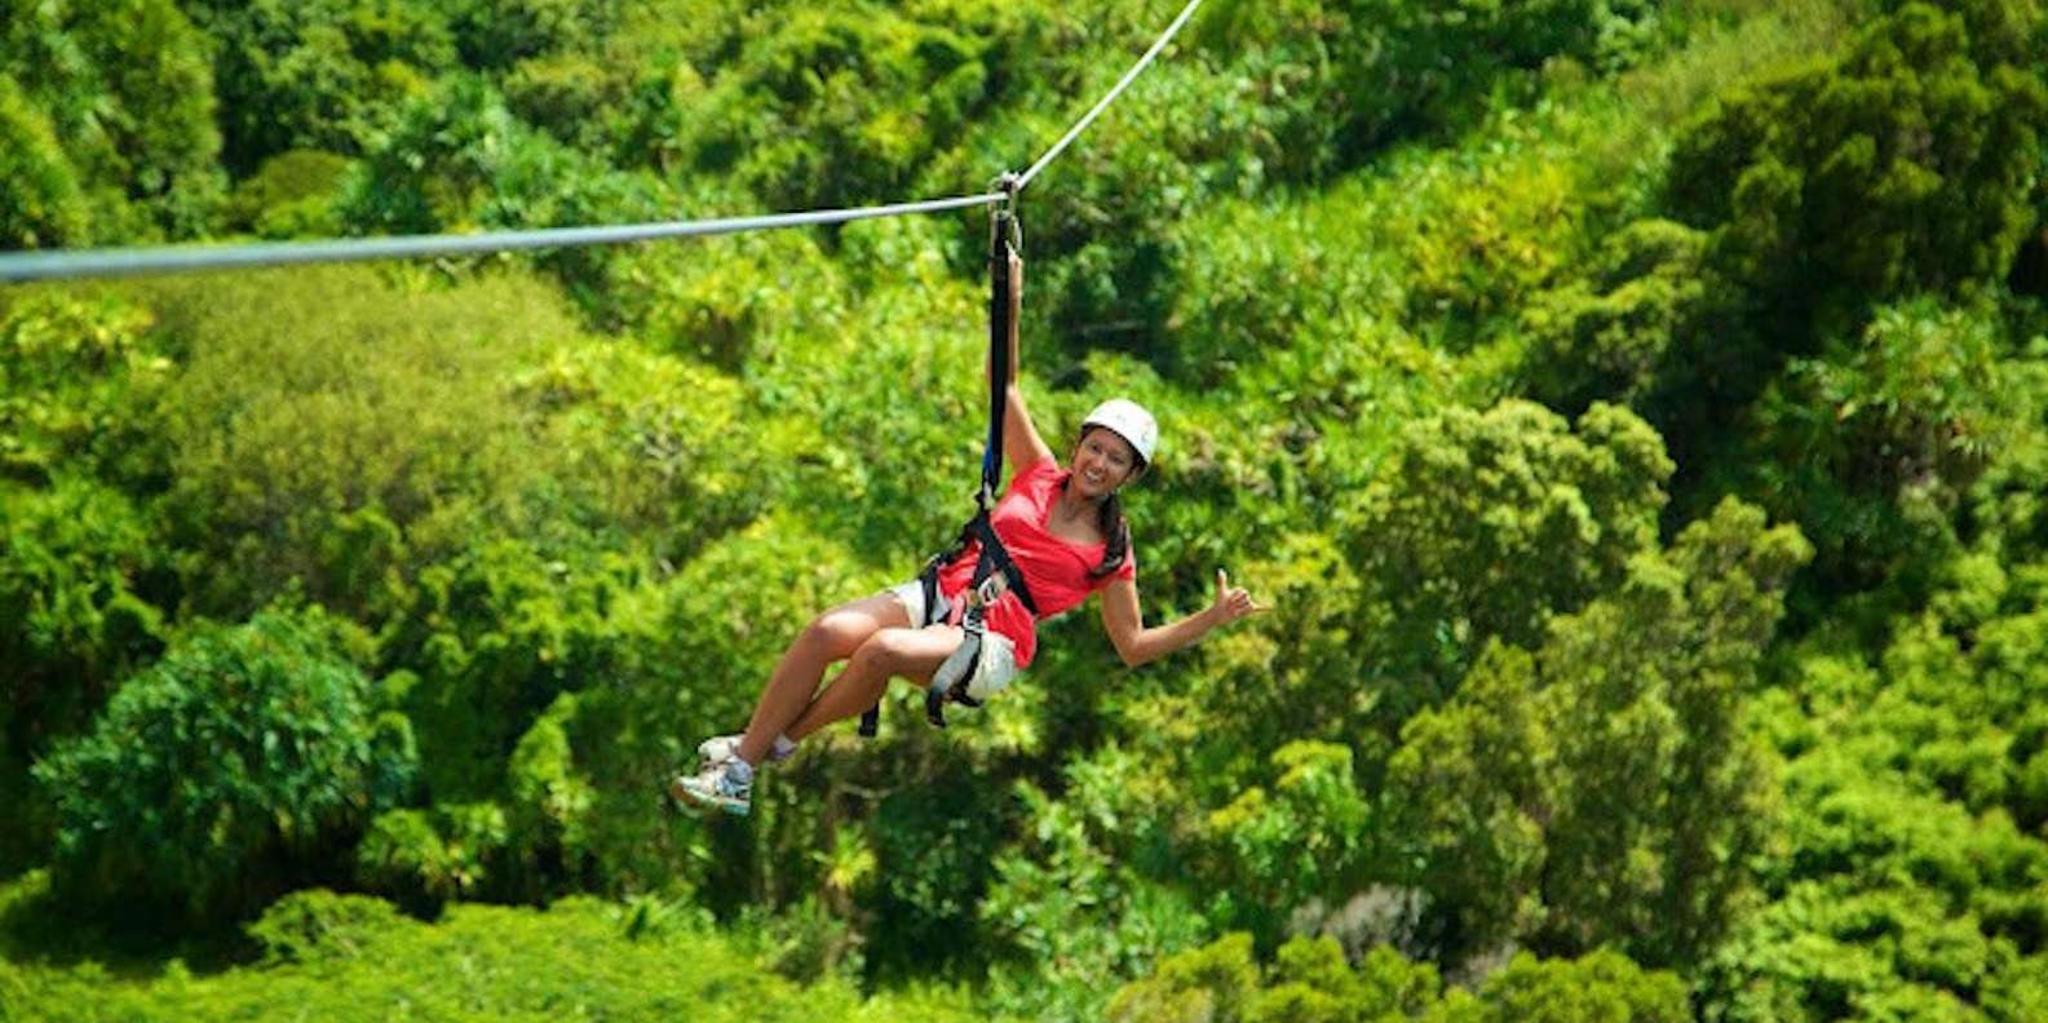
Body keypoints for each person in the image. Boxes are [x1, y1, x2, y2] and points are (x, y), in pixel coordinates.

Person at [670, 252, 1265, 816]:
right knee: (829, 631)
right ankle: (752, 755)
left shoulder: (1111, 552)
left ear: (1131, 475)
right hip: (942, 593)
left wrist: (1209, 619)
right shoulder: (1038, 473)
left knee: (879, 652)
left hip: (992, 642)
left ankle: (753, 758)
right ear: (1080, 445)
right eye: (1096, 447)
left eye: (1116, 459)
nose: (1099, 463)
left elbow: (1132, 646)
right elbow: (1001, 386)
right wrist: (1010, 299)